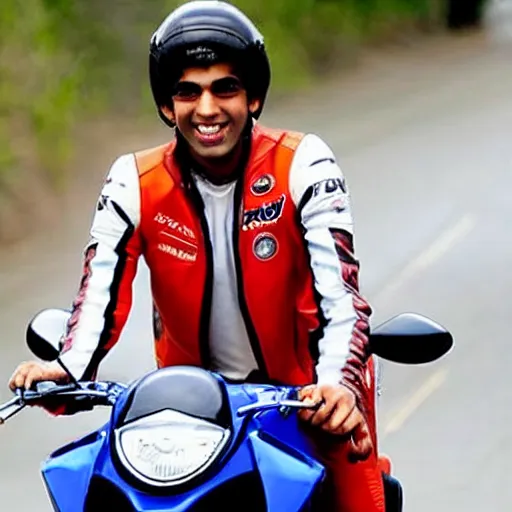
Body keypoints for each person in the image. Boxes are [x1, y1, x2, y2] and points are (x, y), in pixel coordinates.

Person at [9, 1, 384, 510]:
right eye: (188, 91)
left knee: (361, 498)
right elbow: (99, 295)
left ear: (253, 97)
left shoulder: (305, 162)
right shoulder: (132, 181)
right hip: (181, 416)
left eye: (224, 88)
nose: (207, 109)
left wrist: (338, 385)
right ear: (168, 106)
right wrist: (68, 367)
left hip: (307, 401)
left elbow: (341, 299)